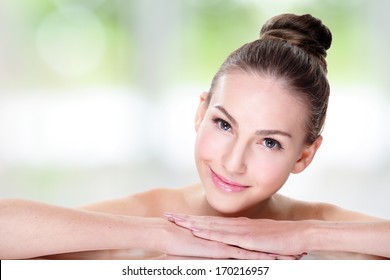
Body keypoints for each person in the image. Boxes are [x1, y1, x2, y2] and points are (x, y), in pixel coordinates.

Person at [0, 13, 389, 260]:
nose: (233, 163)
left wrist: (305, 234)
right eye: (224, 124)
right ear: (201, 112)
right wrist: (160, 235)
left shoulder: (322, 231)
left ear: (305, 155)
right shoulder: (148, 216)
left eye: (269, 142)